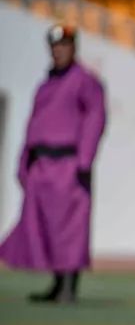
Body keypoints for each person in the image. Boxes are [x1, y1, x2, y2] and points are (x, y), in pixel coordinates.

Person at [0, 24, 106, 303]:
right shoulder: (47, 83)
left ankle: (69, 286)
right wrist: (25, 161)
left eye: (64, 46)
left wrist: (84, 159)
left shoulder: (84, 80)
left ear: (74, 47)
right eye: (54, 47)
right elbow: (33, 125)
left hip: (68, 165)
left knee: (69, 229)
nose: (58, 51)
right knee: (45, 227)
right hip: (42, 166)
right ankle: (57, 284)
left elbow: (95, 117)